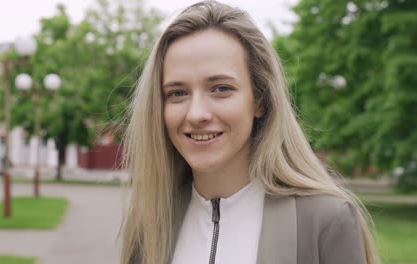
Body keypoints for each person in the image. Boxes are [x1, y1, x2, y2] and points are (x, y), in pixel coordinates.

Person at [120, 1, 380, 264]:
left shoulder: (325, 221)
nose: (196, 114)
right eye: (178, 93)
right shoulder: (151, 223)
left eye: (221, 88)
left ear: (260, 100)